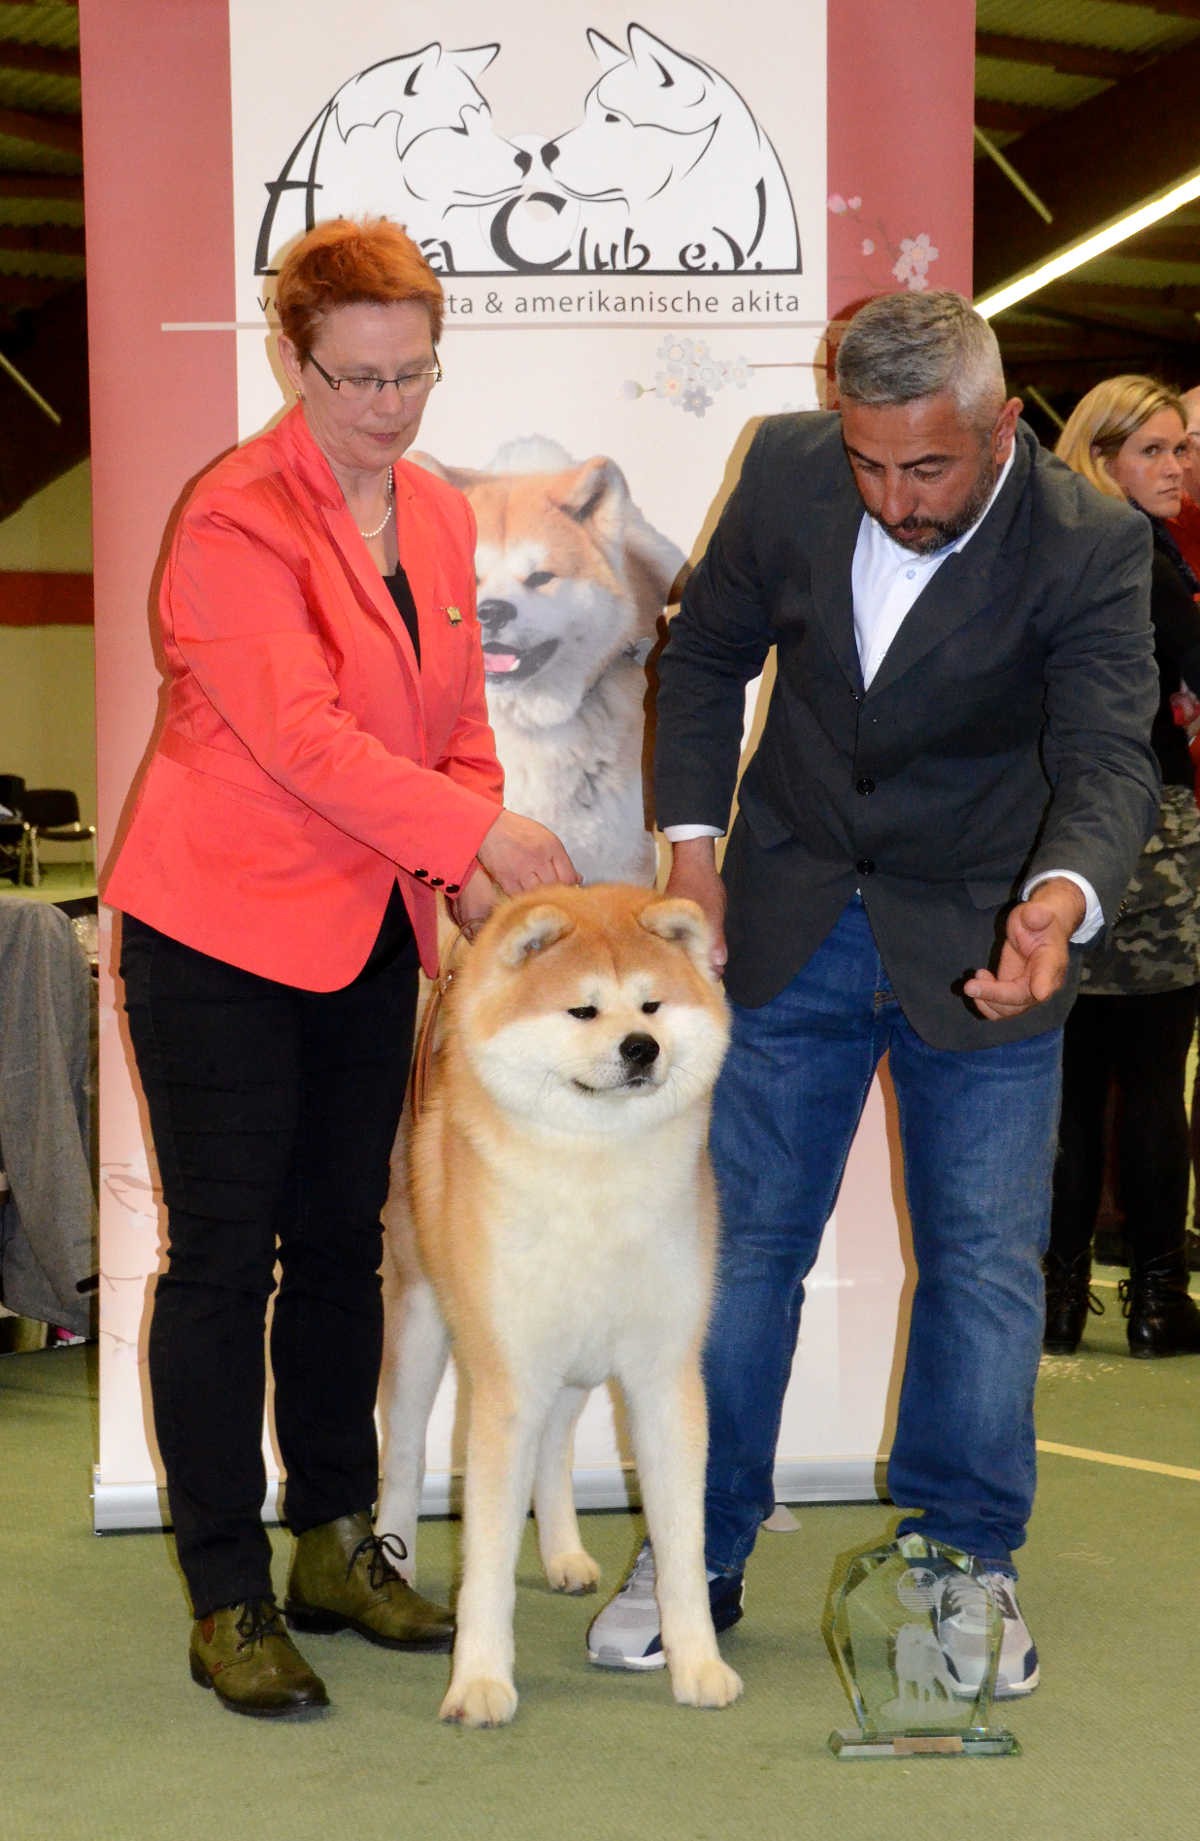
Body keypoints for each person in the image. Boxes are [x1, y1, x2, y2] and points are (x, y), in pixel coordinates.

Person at [585, 290, 1159, 1699]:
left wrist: (1059, 901)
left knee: (981, 1261)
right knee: (741, 1252)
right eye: (869, 461)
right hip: (790, 911)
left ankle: (966, 1560)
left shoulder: (1091, 542)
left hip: (988, 929)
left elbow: (1107, 754)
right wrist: (693, 852)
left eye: (928, 468)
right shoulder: (787, 466)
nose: (893, 497)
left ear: (1003, 426)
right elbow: (706, 654)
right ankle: (697, 1545)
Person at [106, 217, 577, 1718]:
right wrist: (476, 836)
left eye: (414, 372)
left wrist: (461, 856)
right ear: (292, 361)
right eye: (360, 378)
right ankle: (228, 1593)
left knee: (340, 1248)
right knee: (221, 1258)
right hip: (217, 932)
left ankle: (332, 1539)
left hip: (367, 930)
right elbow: (302, 738)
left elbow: (456, 721)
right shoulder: (233, 517)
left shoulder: (434, 512)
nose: (390, 405)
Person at [1045, 377, 1200, 1358]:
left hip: (1057, 840)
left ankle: (1058, 1297)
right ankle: (1157, 1299)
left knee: (1066, 1083)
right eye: (1153, 450)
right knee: (1149, 1081)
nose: (1177, 468)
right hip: (1151, 833)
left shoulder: (1044, 549)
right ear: (1100, 458)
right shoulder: (1143, 557)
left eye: (1182, 448)